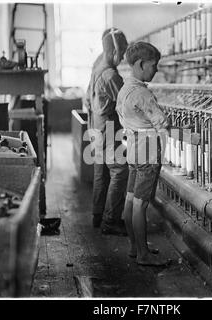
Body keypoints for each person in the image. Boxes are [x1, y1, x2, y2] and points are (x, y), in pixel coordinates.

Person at [116, 41, 170, 266]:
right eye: (153, 65)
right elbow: (162, 123)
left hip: (134, 149)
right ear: (140, 64)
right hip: (148, 152)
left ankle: (134, 246)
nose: (156, 69)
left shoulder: (124, 89)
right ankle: (143, 255)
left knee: (130, 199)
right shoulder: (142, 94)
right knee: (141, 204)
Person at [84, 28, 129, 236]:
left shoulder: (97, 65)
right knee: (120, 171)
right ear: (114, 52)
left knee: (101, 172)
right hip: (109, 128)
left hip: (96, 125)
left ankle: (97, 215)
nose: (122, 59)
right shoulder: (111, 75)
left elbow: (88, 98)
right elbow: (126, 103)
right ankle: (110, 221)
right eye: (122, 53)